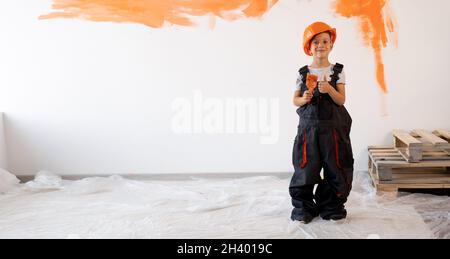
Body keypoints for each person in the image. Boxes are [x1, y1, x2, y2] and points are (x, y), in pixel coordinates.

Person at [289, 21, 354, 224]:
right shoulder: (302, 72)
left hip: (334, 130)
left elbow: (341, 100)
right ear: (309, 46)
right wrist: (305, 98)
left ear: (331, 45)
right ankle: (303, 209)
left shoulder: (338, 71)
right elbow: (295, 100)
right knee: (305, 168)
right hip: (309, 130)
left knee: (337, 167)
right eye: (316, 42)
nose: (321, 45)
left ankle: (332, 206)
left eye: (325, 41)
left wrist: (329, 89)